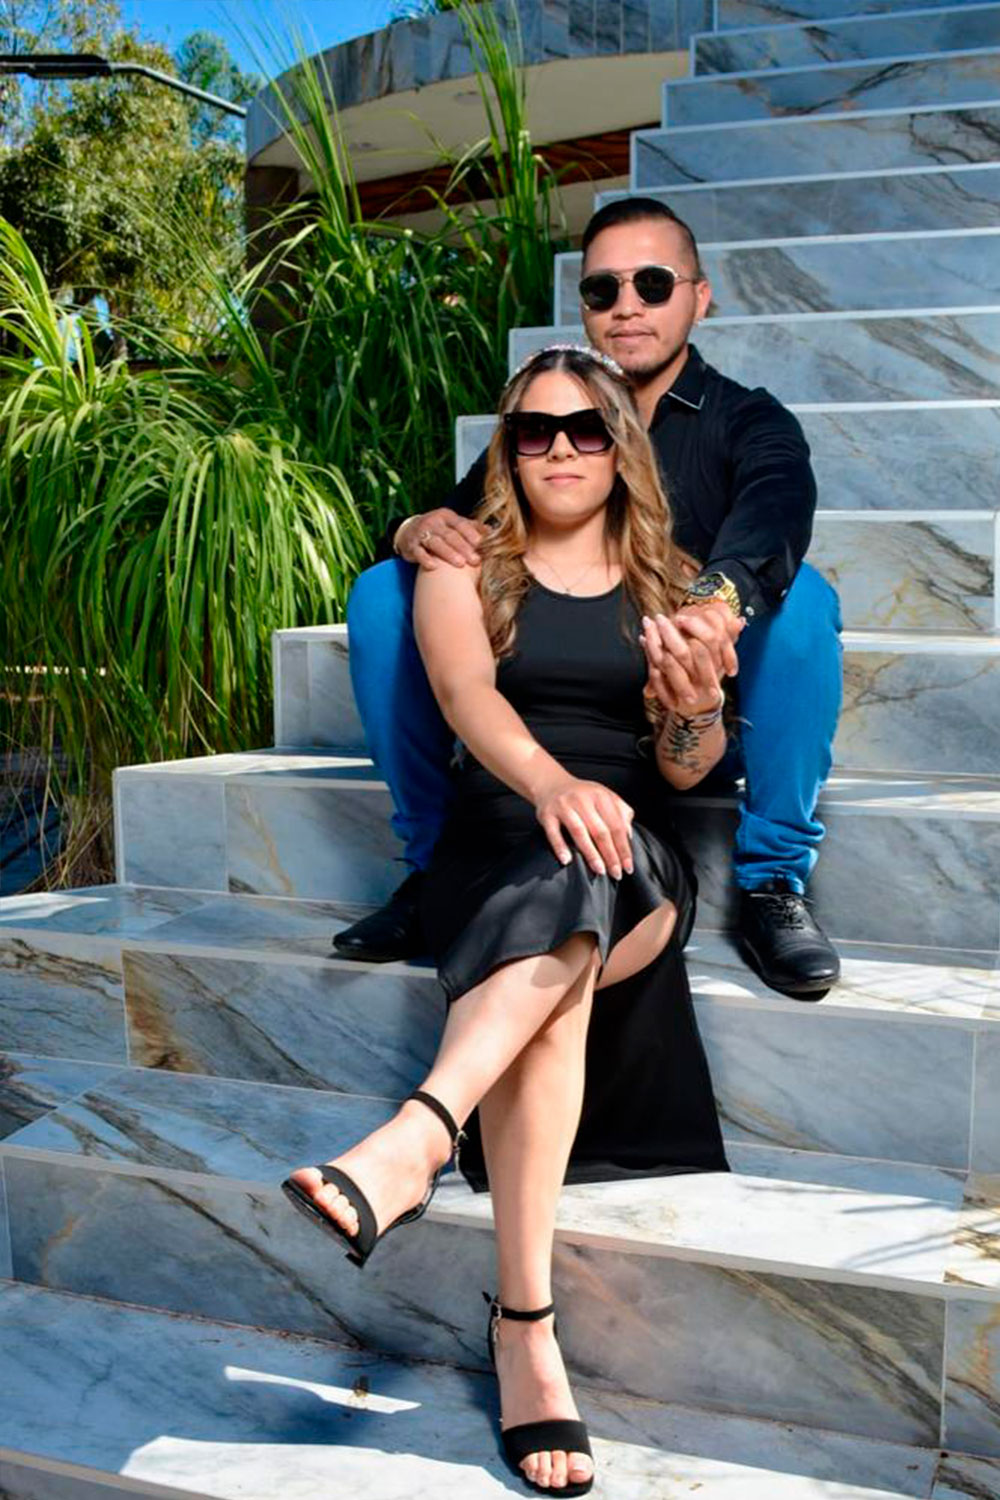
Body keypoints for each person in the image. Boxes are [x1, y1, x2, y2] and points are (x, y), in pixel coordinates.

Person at [284, 345, 729, 1496]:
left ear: (620, 448)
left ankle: (419, 1136)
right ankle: (525, 1327)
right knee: (560, 912)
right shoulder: (465, 561)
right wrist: (551, 786)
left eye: (586, 428)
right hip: (497, 842)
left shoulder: (673, 580)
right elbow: (464, 696)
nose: (561, 449)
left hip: (636, 859)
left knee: (593, 864)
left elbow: (688, 768)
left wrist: (694, 710)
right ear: (508, 449)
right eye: (535, 430)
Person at [336, 196, 843, 1000]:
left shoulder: (747, 419)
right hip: (548, 712)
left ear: (699, 298)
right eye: (604, 290)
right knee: (381, 594)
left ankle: (774, 878)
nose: (627, 306)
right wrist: (410, 528)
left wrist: (713, 607)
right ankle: (431, 862)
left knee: (805, 600)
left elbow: (778, 511)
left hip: (697, 712)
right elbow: (467, 518)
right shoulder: (549, 421)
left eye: (653, 283)